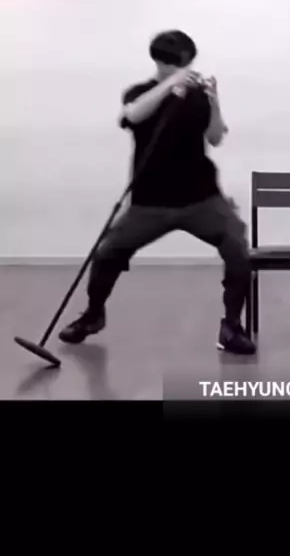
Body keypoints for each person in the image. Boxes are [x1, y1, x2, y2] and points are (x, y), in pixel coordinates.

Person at [58, 30, 256, 355]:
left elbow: (215, 137)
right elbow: (132, 115)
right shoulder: (140, 93)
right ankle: (93, 315)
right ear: (160, 62)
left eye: (185, 64)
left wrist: (214, 101)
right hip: (149, 202)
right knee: (108, 252)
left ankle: (232, 327)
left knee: (237, 248)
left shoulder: (197, 96)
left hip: (201, 199)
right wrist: (171, 84)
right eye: (176, 64)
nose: (183, 69)